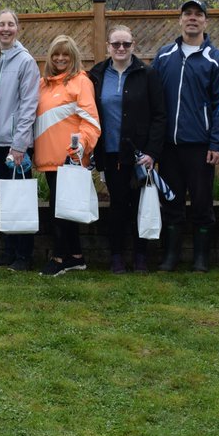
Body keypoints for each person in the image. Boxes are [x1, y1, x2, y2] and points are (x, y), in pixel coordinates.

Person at [151, 0, 219, 272]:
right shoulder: (163, 57)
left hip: (200, 146)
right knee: (171, 202)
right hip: (169, 146)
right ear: (180, 19)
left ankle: (201, 259)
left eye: (198, 14)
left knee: (201, 203)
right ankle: (171, 256)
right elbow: (155, 103)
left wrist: (217, 142)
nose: (193, 18)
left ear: (205, 21)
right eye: (188, 14)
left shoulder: (216, 59)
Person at [88, 24, 165, 274]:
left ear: (134, 46)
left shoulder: (147, 74)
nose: (121, 48)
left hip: (140, 155)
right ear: (108, 46)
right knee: (118, 207)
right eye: (116, 44)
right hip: (111, 154)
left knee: (140, 205)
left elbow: (159, 116)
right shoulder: (97, 75)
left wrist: (152, 152)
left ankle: (141, 256)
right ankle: (117, 256)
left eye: (126, 44)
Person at [34, 35, 101, 276]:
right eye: (55, 54)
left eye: (66, 54)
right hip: (48, 160)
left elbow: (91, 122)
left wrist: (81, 146)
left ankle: (60, 258)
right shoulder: (43, 84)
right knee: (64, 210)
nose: (60, 58)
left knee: (59, 211)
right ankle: (76, 256)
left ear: (74, 57)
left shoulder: (81, 82)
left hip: (68, 159)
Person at [0, 9, 40, 271]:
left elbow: (29, 105)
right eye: (1, 24)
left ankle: (24, 256)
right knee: (7, 199)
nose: (5, 29)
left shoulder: (26, 61)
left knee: (21, 198)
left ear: (17, 28)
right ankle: (8, 252)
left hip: (16, 144)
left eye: (10, 24)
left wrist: (19, 145)